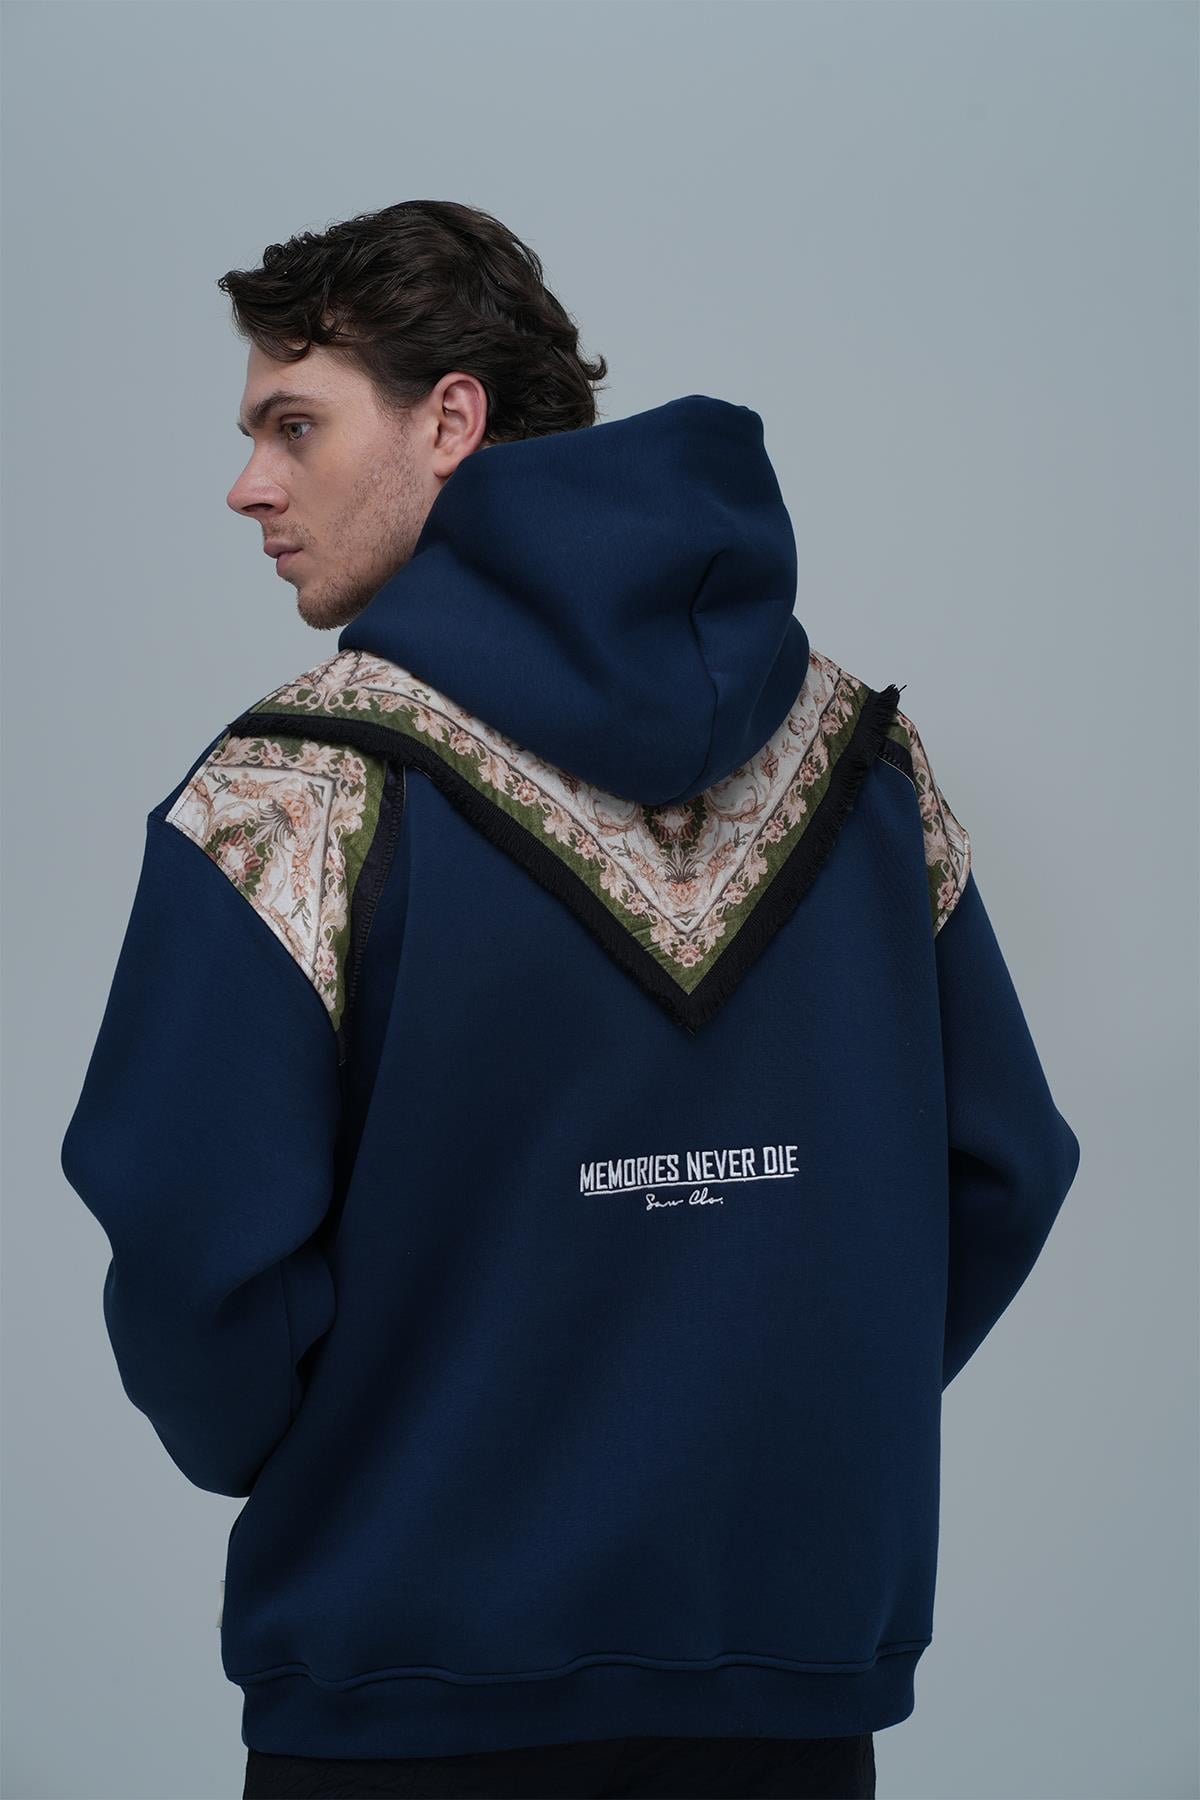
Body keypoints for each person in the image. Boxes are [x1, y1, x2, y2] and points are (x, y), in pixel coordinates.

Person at [59, 199, 1081, 1800]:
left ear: (449, 420)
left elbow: (197, 1255)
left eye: (292, 423)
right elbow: (1004, 1166)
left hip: (404, 1691)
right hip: (786, 1692)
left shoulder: (288, 794)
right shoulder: (869, 765)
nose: (249, 482)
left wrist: (356, 1452)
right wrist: (786, 1403)